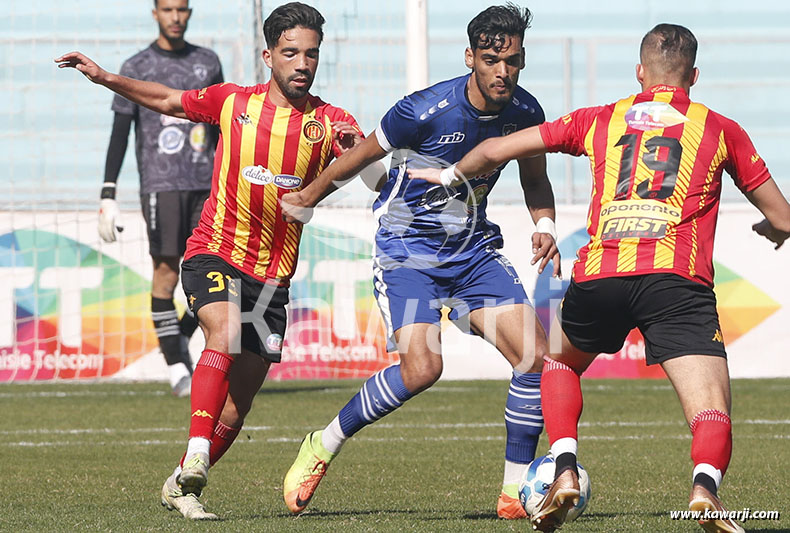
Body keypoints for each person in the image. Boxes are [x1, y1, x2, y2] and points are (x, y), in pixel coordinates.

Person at [408, 23, 790, 533]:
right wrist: (772, 225)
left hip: (600, 275)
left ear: (639, 72)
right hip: (675, 284)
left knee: (560, 365)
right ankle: (704, 489)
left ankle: (564, 466)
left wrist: (451, 175)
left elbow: (500, 148)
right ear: (693, 76)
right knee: (710, 406)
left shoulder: (600, 119)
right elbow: (783, 217)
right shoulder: (720, 128)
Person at [57, 1, 370, 520]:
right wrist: (106, 78)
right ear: (268, 56)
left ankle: (182, 482)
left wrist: (352, 155)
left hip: (273, 279)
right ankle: (198, 454)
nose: (302, 64)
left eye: (311, 55)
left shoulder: (331, 121)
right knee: (221, 335)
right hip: (215, 252)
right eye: (290, 53)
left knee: (236, 406)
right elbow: (165, 98)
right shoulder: (231, 103)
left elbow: (365, 168)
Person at [280, 3, 560, 520]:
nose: (503, 73)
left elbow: (535, 178)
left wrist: (545, 226)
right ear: (471, 57)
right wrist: (309, 196)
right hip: (408, 253)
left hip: (474, 254)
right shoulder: (423, 110)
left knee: (534, 360)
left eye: (514, 62)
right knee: (423, 368)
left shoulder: (525, 111)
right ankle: (322, 444)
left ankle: (514, 493)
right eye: (492, 60)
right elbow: (362, 156)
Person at [99, 0, 223, 397]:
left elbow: (222, 128)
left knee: (213, 277)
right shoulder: (136, 67)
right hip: (162, 185)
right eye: (168, 9)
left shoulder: (208, 62)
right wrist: (107, 192)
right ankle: (176, 367)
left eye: (182, 9)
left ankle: (177, 341)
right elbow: (121, 131)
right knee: (167, 275)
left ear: (190, 13)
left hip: (208, 187)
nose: (176, 16)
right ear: (155, 12)